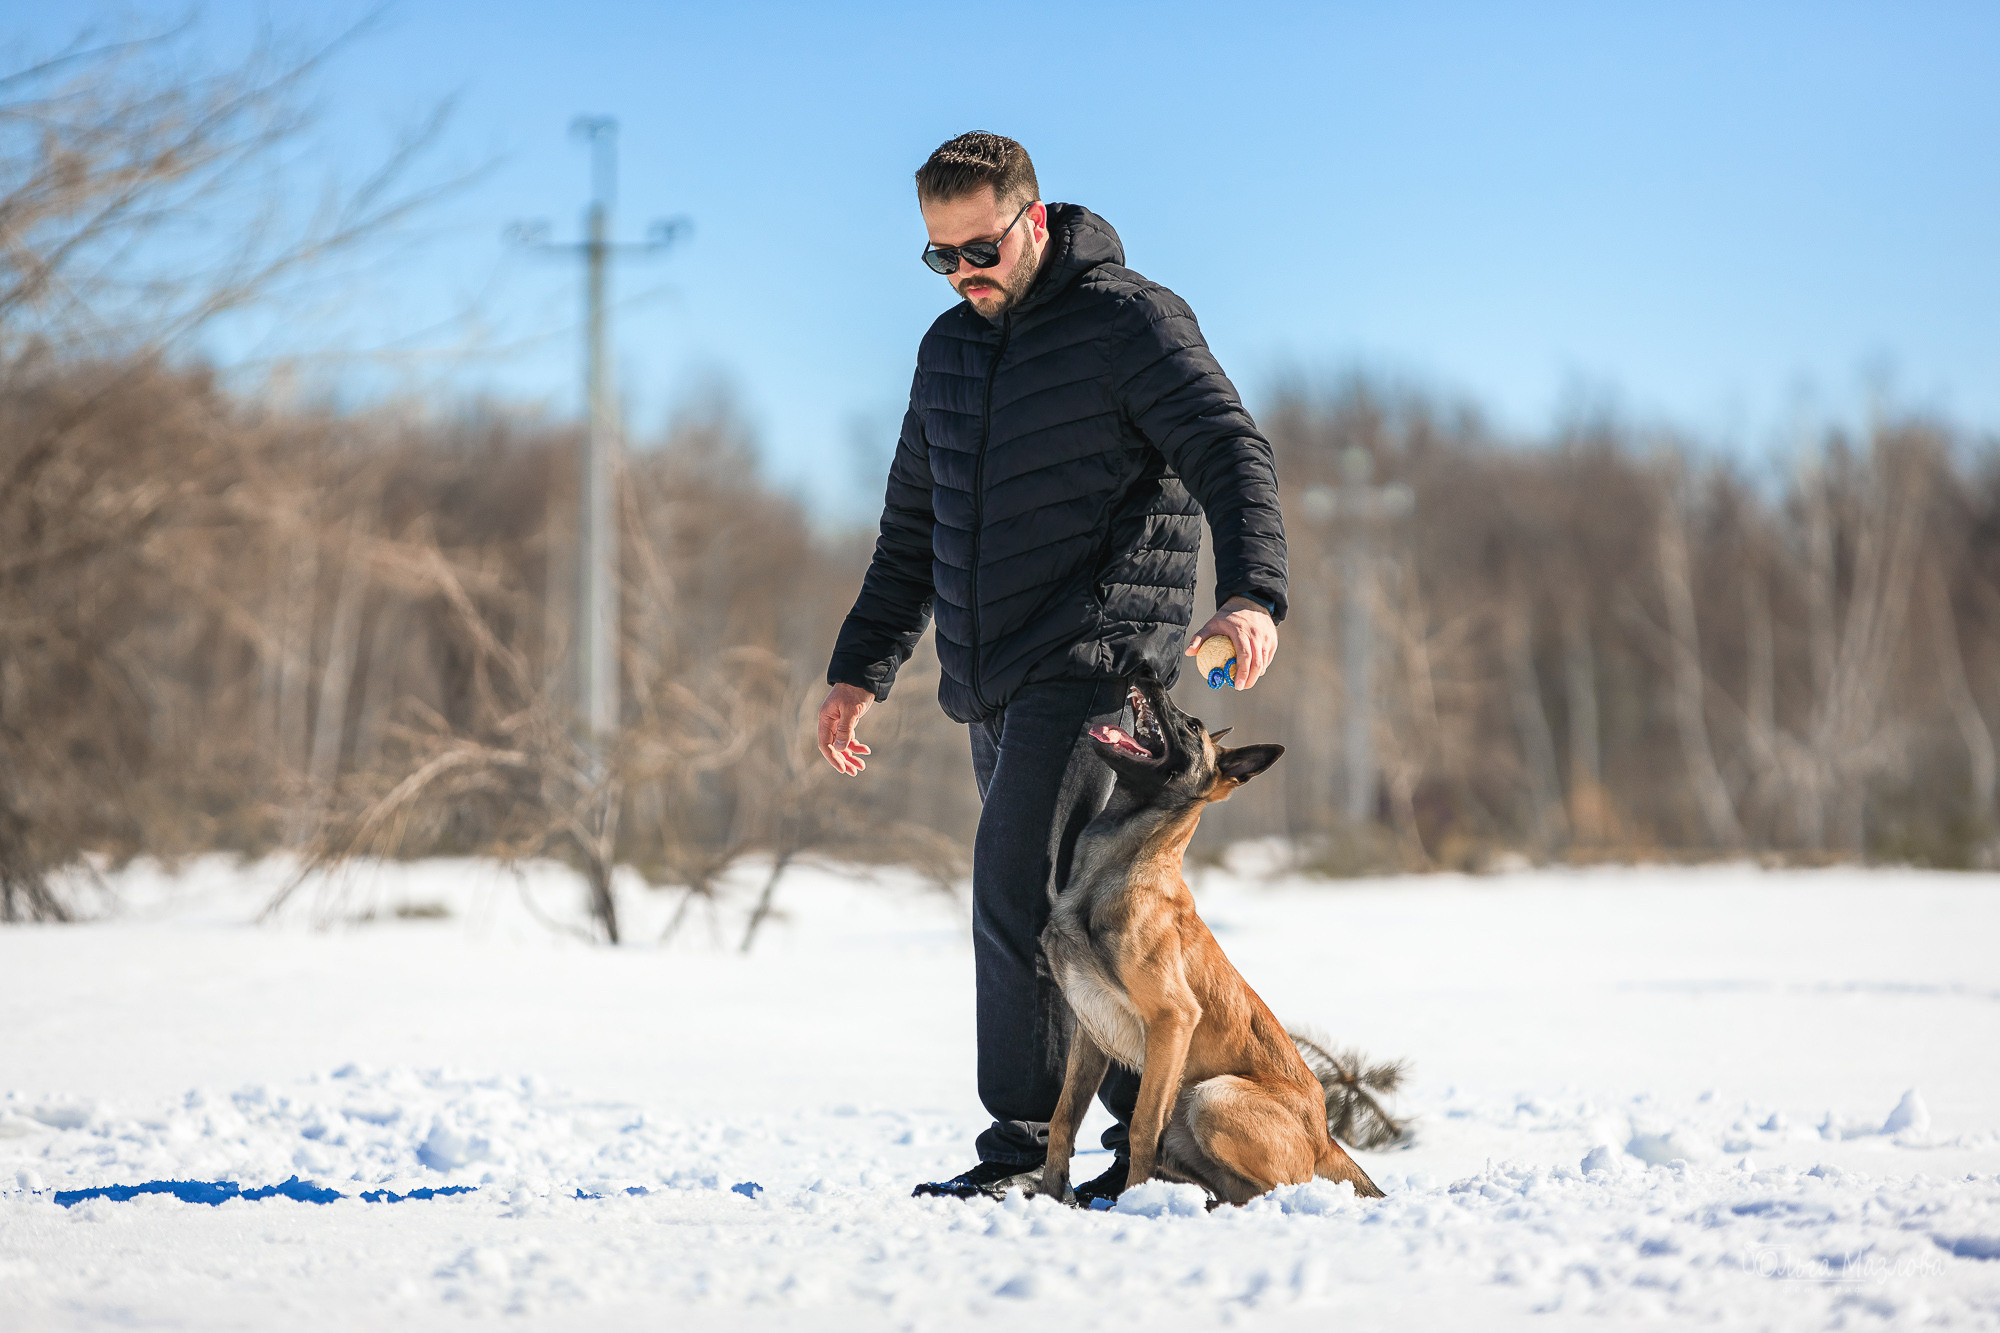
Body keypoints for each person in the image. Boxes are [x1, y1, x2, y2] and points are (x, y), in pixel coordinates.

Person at [817, 131, 1287, 1203]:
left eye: (978, 248)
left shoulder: (1129, 322)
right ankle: (1153, 1138)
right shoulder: (947, 351)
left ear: (1033, 218)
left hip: (1096, 665)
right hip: (989, 681)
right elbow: (909, 531)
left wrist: (1253, 590)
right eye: (939, 257)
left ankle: (1025, 1146)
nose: (962, 274)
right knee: (1080, 920)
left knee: (1016, 895)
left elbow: (1227, 447)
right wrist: (859, 669)